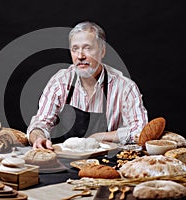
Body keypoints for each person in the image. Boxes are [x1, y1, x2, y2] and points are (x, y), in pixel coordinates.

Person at [27, 21, 148, 150]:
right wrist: (39, 137)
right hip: (66, 162)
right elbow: (40, 122)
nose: (80, 56)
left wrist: (100, 136)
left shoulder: (125, 87)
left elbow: (141, 132)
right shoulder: (60, 82)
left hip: (106, 164)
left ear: (102, 51)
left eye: (87, 48)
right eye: (75, 49)